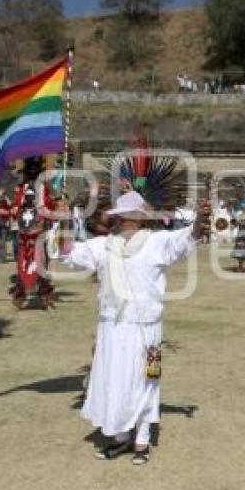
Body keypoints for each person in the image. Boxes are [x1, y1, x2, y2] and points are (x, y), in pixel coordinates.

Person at [60, 191, 210, 465]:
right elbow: (69, 253)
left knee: (146, 381)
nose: (120, 220)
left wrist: (201, 218)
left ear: (134, 219)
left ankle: (142, 440)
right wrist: (64, 220)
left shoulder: (157, 243)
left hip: (146, 329)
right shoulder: (104, 245)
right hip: (112, 326)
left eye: (124, 215)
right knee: (114, 380)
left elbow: (189, 236)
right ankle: (120, 437)